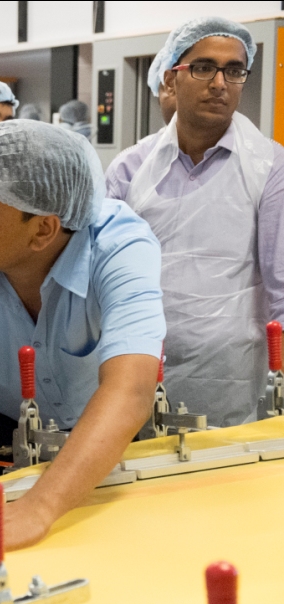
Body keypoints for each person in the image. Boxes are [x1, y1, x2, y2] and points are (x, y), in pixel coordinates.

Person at [0, 120, 165, 557]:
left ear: (43, 230)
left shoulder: (120, 247)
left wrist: (38, 508)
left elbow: (131, 390)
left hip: (106, 432)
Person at [106, 17, 283, 427]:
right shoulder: (130, 169)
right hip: (137, 367)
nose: (220, 83)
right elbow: (101, 276)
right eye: (204, 68)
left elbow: (283, 288)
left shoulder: (270, 167)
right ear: (172, 78)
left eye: (234, 71)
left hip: (230, 377)